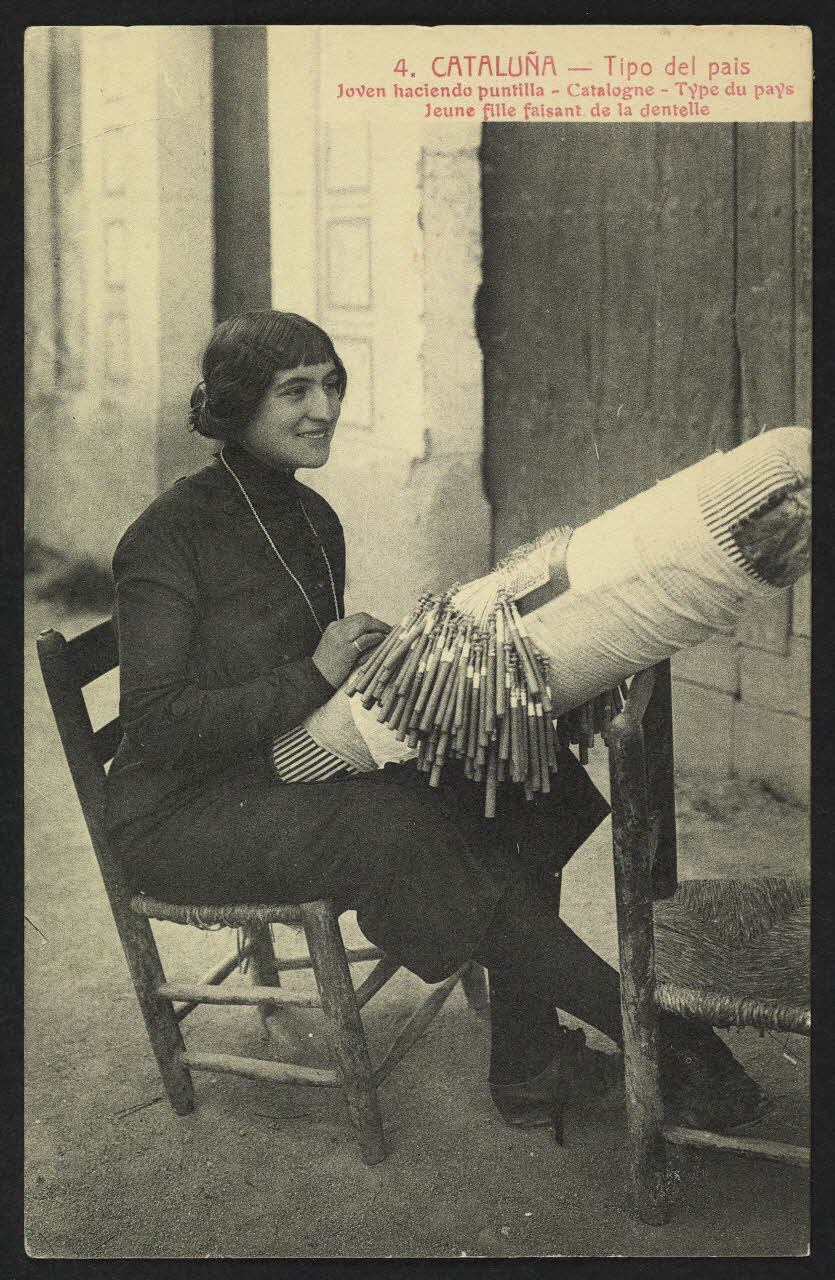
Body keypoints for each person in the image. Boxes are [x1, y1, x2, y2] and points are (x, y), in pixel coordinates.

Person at [106, 310, 770, 1136]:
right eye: (295, 390)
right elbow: (157, 722)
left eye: (332, 383)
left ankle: (529, 1065)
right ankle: (655, 1032)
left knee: (519, 774)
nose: (325, 408)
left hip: (281, 764)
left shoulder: (314, 520)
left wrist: (412, 674)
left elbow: (321, 697)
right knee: (396, 829)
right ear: (238, 403)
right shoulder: (167, 535)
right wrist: (314, 670)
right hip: (182, 814)